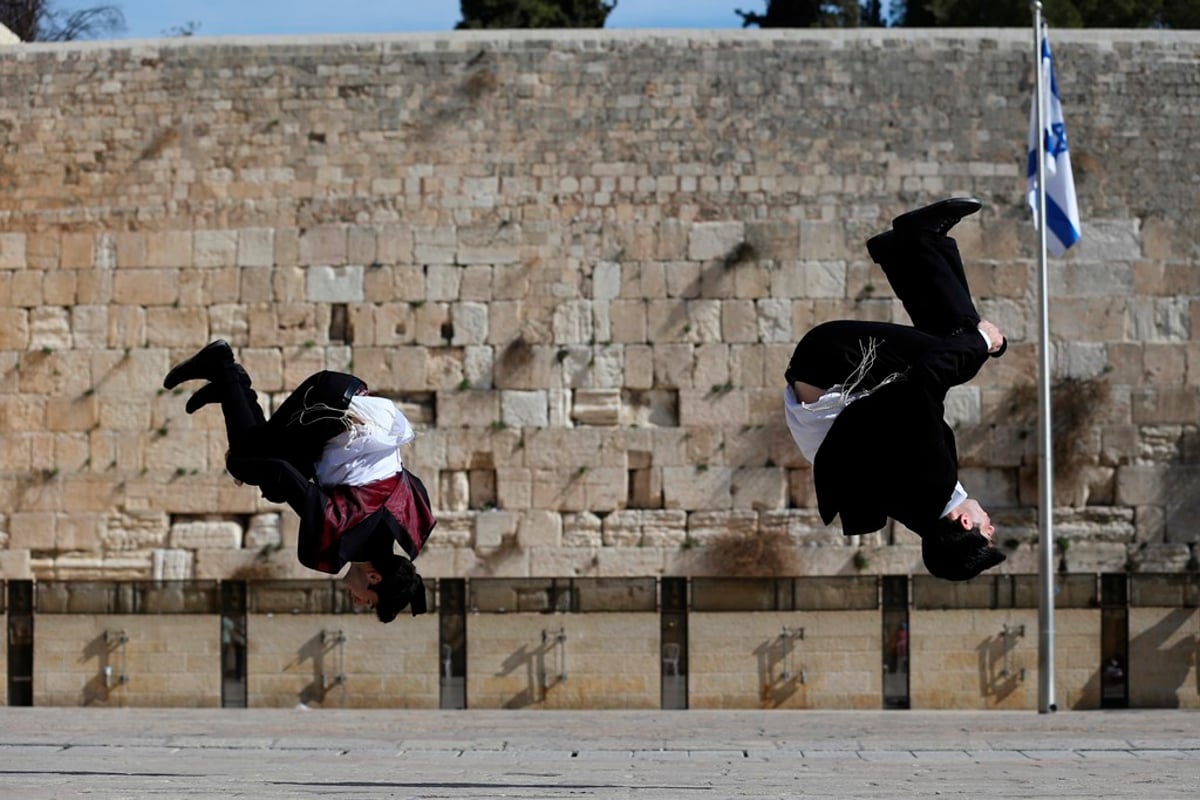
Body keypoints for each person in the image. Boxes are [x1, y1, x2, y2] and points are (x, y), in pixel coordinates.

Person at [783, 197, 1007, 582]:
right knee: (954, 344)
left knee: (960, 348)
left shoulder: (931, 483)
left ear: (964, 521)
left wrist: (981, 343)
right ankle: (903, 247)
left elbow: (921, 383)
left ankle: (917, 239)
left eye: (988, 532)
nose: (993, 526)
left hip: (833, 363)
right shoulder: (918, 503)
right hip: (825, 372)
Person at [163, 341, 436, 621]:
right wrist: (237, 465)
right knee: (248, 458)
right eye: (368, 602)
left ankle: (232, 389)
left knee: (269, 482)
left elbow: (286, 480)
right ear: (374, 577)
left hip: (355, 406)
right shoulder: (345, 533)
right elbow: (281, 471)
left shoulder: (383, 533)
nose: (357, 602)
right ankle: (223, 367)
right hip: (331, 406)